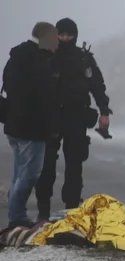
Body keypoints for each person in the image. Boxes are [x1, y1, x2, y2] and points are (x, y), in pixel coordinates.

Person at [34, 18, 111, 221]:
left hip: (76, 117)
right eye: (62, 35)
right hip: (51, 117)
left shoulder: (84, 58)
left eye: (69, 35)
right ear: (56, 35)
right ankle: (43, 212)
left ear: (75, 36)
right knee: (47, 166)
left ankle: (71, 211)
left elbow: (97, 86)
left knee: (75, 166)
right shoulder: (48, 56)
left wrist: (104, 111)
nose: (66, 38)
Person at [3, 22, 59, 229]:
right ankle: (17, 218)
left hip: (14, 124)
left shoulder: (16, 56)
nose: (57, 44)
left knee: (19, 174)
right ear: (45, 38)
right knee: (29, 174)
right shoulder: (38, 61)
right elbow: (44, 97)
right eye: (54, 39)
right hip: (31, 127)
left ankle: (15, 215)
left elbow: (8, 86)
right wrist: (50, 125)